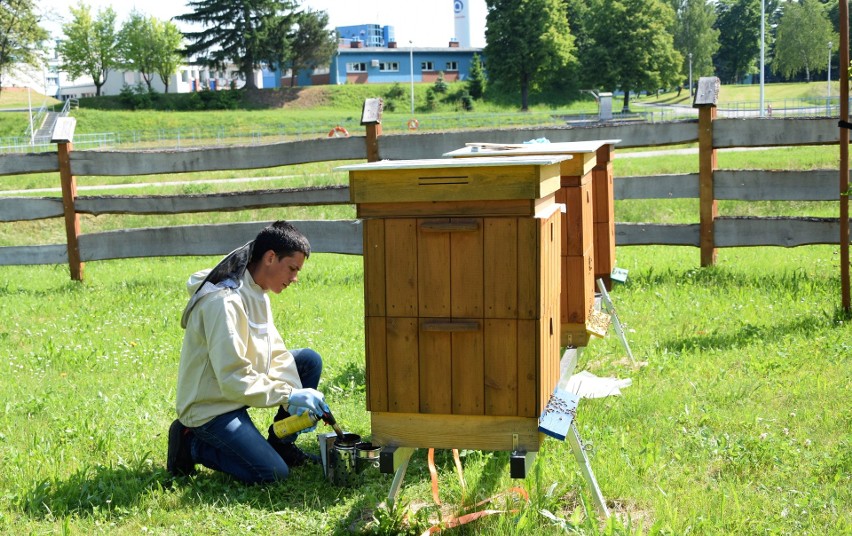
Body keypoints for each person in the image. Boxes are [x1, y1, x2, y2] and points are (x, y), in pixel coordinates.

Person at [167, 220, 328, 484]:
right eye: (292, 269)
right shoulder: (223, 302)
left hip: (236, 393)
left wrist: (293, 402)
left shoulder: (257, 288)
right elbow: (233, 379)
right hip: (212, 407)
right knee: (272, 474)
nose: (294, 278)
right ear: (270, 257)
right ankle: (191, 443)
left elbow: (275, 352)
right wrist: (289, 393)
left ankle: (281, 445)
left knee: (307, 361)